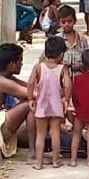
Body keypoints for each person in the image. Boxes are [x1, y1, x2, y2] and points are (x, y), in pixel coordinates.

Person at [27, 36, 71, 169]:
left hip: (41, 106)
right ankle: (56, 161)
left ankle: (39, 163)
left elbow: (30, 83)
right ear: (61, 54)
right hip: (56, 105)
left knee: (40, 134)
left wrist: (30, 99)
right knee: (55, 133)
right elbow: (68, 85)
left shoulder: (38, 67)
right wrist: (67, 100)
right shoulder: (63, 69)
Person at [58, 4, 88, 75]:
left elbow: (87, 59)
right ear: (59, 22)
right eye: (63, 22)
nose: (67, 24)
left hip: (79, 78)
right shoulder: (56, 40)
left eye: (69, 21)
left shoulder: (82, 39)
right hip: (61, 79)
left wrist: (80, 65)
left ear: (75, 21)